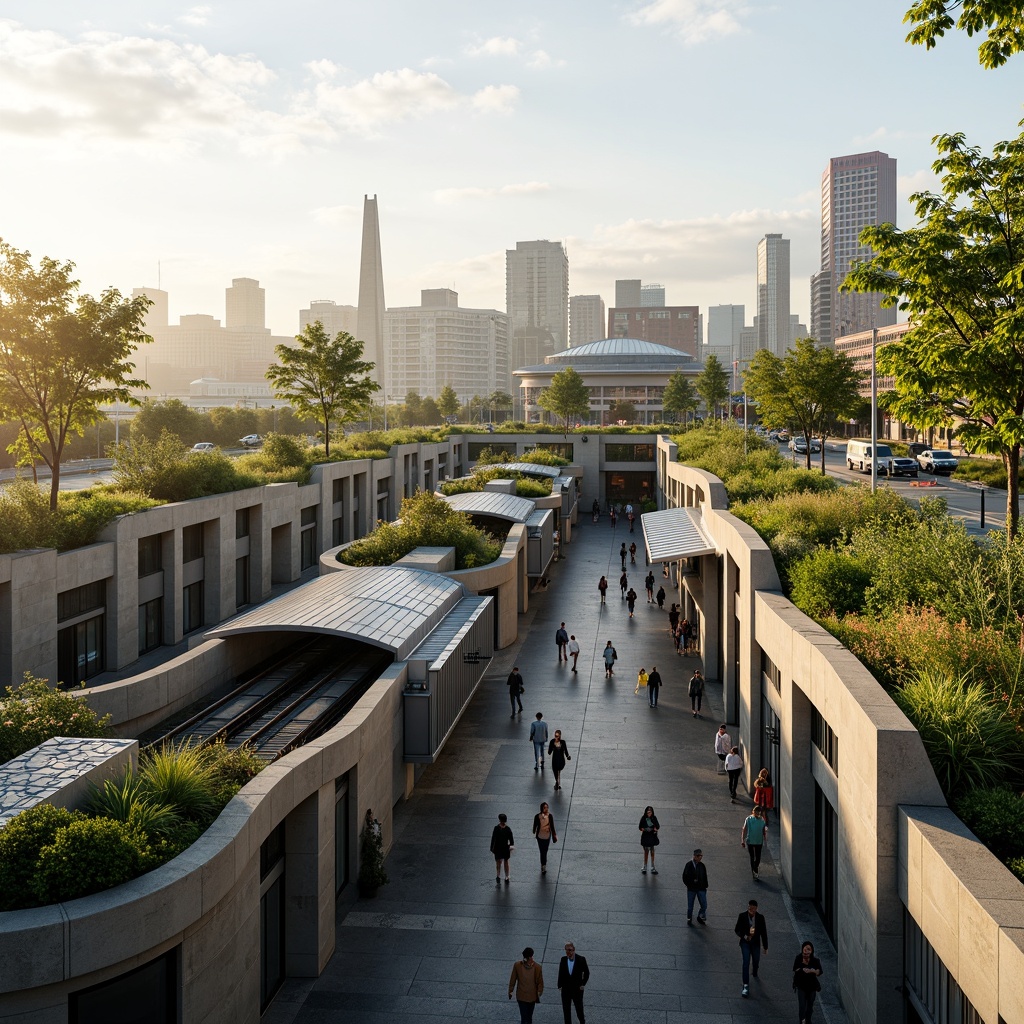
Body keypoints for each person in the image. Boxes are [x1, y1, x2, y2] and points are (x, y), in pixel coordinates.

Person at [734, 899, 768, 997]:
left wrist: (765, 946)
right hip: (745, 943)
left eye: (753, 909)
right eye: (749, 908)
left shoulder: (760, 918)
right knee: (746, 962)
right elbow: (737, 930)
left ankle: (755, 970)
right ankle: (745, 985)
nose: (751, 911)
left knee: (756, 960)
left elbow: (763, 933)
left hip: (756, 943)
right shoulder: (742, 916)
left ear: (756, 909)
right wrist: (744, 936)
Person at [557, 941, 590, 1024]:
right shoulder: (563, 959)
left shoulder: (581, 959)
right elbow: (560, 972)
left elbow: (587, 973)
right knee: (566, 1010)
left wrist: (583, 984)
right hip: (566, 990)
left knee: (579, 1009)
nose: (569, 952)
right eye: (567, 950)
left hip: (577, 990)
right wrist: (559, 985)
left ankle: (582, 1022)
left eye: (570, 950)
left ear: (574, 949)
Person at [508, 947, 543, 1023]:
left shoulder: (537, 968)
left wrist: (539, 992)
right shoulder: (517, 966)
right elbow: (513, 980)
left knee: (528, 1017)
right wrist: (510, 991)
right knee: (525, 1018)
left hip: (531, 997)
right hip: (523, 997)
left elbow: (540, 982)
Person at [792, 941, 823, 1023]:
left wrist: (812, 971)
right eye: (805, 949)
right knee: (802, 1007)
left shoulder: (815, 961)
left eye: (809, 949)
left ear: (812, 950)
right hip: (801, 986)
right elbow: (795, 969)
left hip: (811, 987)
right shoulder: (798, 958)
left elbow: (819, 972)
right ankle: (802, 1021)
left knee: (809, 1007)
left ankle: (808, 1020)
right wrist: (802, 969)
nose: (806, 951)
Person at [741, 805, 768, 880]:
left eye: (759, 813)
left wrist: (765, 840)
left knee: (758, 858)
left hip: (759, 841)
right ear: (753, 812)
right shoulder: (748, 819)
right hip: (750, 840)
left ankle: (755, 868)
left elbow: (763, 831)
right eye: (756, 812)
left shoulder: (762, 820)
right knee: (752, 857)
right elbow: (744, 829)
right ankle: (755, 872)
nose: (758, 814)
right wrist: (742, 840)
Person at [682, 849, 708, 924]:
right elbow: (684, 877)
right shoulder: (689, 865)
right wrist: (690, 884)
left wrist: (705, 886)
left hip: (701, 888)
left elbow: (704, 876)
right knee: (690, 906)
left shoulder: (702, 865)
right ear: (695, 856)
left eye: (701, 856)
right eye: (699, 856)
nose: (700, 858)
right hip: (692, 888)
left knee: (704, 904)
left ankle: (700, 915)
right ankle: (689, 918)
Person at [532, 802, 557, 874]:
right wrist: (534, 831)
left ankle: (544, 864)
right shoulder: (537, 816)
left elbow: (552, 826)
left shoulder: (550, 816)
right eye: (544, 807)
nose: (546, 809)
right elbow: (535, 824)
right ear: (541, 808)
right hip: (540, 836)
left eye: (547, 807)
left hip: (547, 836)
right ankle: (543, 865)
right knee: (542, 851)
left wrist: (554, 835)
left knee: (545, 851)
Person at [490, 813, 514, 884]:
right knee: (505, 862)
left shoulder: (496, 828)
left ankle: (498, 875)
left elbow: (493, 839)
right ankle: (506, 876)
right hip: (505, 848)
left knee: (498, 862)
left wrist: (492, 848)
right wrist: (510, 846)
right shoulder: (508, 829)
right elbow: (511, 840)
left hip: (498, 848)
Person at [638, 805, 660, 873]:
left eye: (650, 812)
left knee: (652, 852)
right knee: (646, 852)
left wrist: (654, 828)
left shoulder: (654, 818)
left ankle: (652, 866)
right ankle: (645, 866)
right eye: (648, 813)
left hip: (652, 836)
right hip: (646, 836)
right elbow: (640, 827)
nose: (649, 814)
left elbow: (658, 826)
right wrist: (645, 829)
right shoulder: (643, 818)